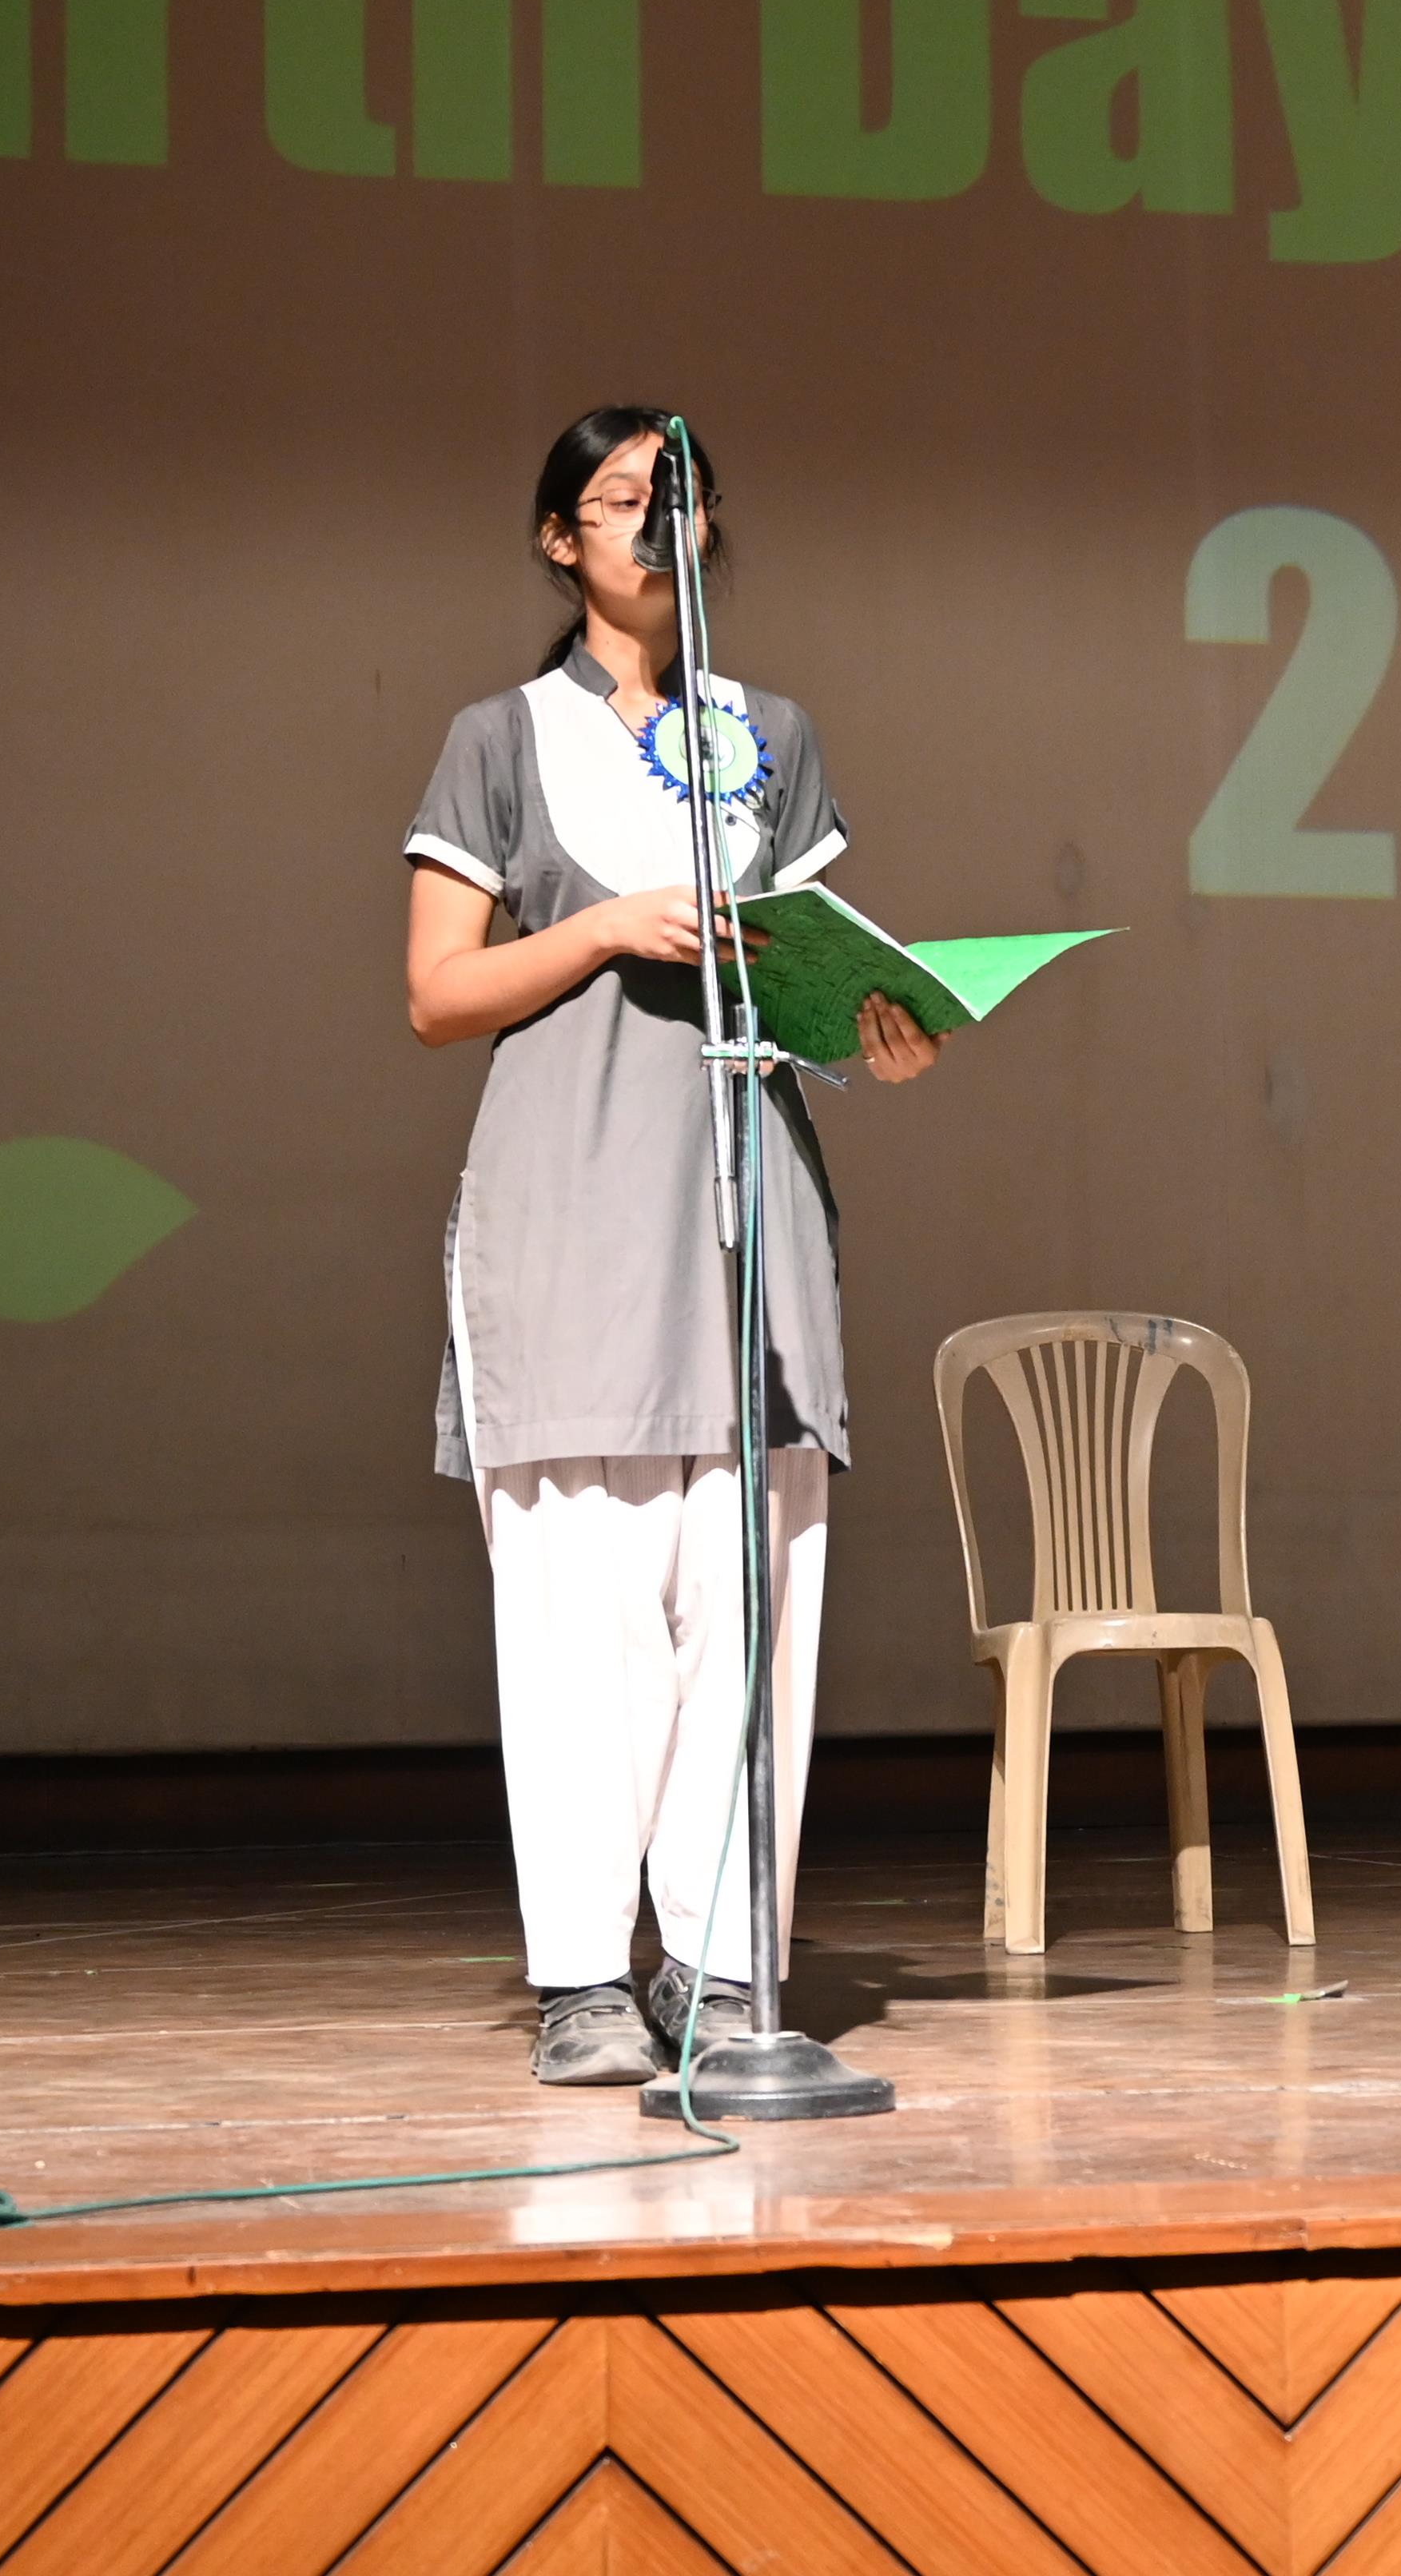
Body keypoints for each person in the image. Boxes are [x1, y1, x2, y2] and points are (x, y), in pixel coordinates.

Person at [403, 408, 941, 2085]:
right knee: (582, 1614)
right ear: (560, 538)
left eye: (678, 495)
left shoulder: (771, 736)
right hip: (572, 1204)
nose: (654, 519)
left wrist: (881, 1031)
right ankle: (582, 1976)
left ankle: (718, 1965)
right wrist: (603, 928)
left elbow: (819, 983)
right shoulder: (502, 738)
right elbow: (437, 993)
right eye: (620, 495)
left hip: (744, 1209)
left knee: (750, 1600)